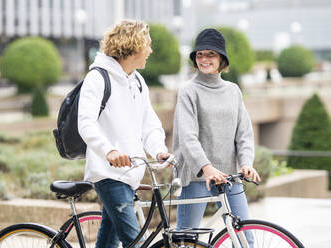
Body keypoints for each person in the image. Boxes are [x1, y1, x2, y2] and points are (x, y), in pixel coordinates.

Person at [77, 20, 171, 248]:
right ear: (133, 45)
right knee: (134, 241)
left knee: (108, 242)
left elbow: (149, 123)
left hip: (130, 175)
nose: (150, 50)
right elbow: (86, 122)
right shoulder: (98, 78)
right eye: (147, 44)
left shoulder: (138, 81)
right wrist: (108, 150)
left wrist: (159, 150)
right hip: (108, 174)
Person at [172, 28, 261, 246]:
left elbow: (244, 133)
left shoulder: (233, 91)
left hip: (230, 176)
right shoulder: (188, 91)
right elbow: (187, 137)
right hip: (197, 175)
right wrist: (206, 167)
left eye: (210, 54)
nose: (204, 59)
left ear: (221, 58)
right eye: (200, 54)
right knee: (187, 239)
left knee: (245, 238)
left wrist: (246, 163)